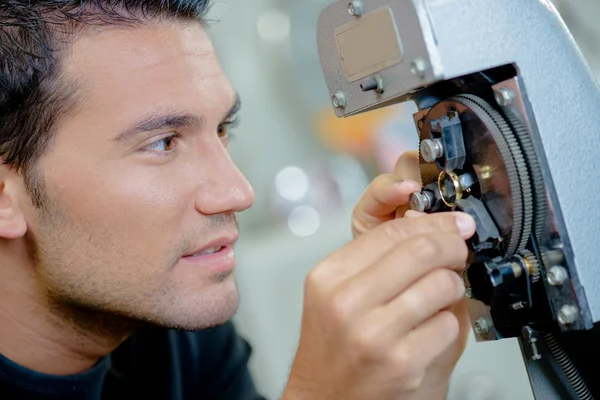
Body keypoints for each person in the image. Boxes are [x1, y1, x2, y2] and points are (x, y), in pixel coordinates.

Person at [0, 1, 477, 399]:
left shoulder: (172, 329)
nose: (238, 193)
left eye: (223, 128)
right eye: (163, 142)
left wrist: (398, 371)